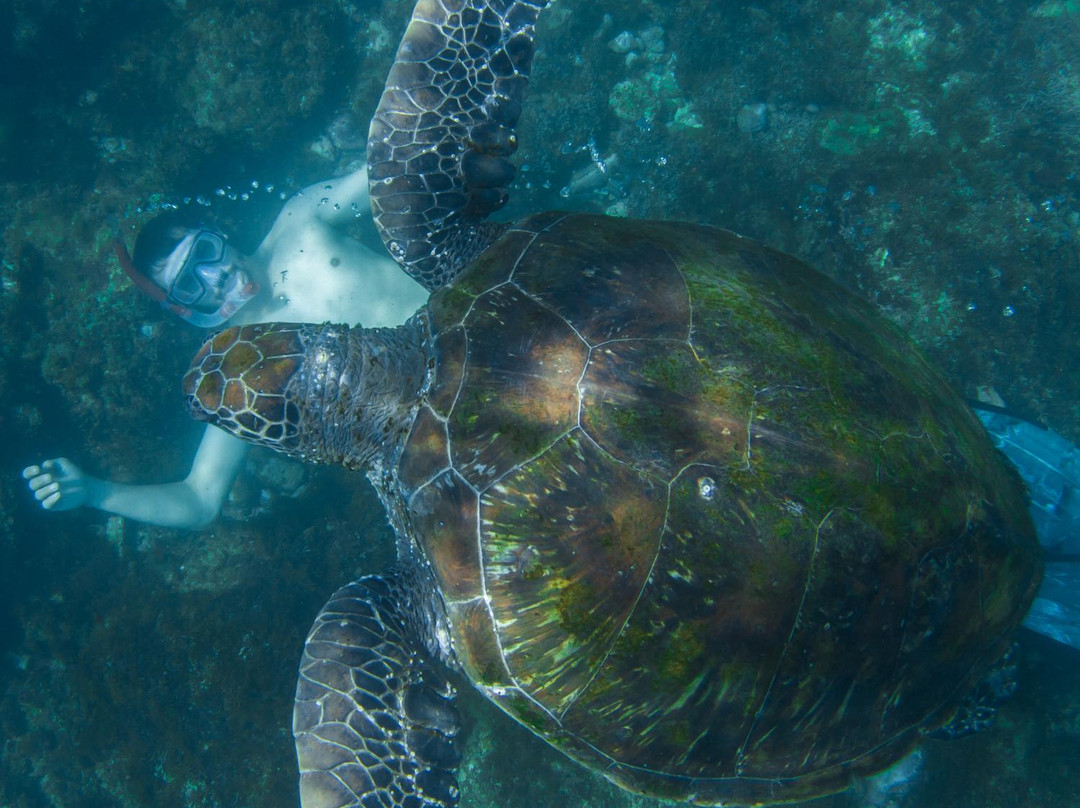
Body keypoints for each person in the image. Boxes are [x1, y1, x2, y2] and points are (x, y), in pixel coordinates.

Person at [21, 167, 428, 529]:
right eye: (189, 283)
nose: (213, 278)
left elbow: (389, 167)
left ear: (216, 233)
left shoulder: (301, 221)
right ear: (183, 307)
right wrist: (94, 492)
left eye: (203, 253)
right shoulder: (240, 368)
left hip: (476, 317)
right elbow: (198, 499)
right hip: (436, 428)